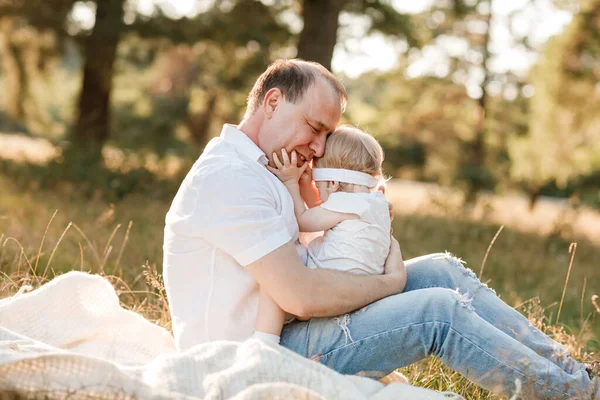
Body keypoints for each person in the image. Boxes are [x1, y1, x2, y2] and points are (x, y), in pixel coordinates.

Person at [162, 58, 599, 399]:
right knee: (437, 310)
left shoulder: (268, 169)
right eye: (315, 129)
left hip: (290, 328)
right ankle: (577, 396)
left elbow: (315, 251)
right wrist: (390, 282)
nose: (318, 148)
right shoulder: (228, 177)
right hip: (254, 356)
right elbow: (302, 296)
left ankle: (576, 373)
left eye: (326, 136)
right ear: (272, 102)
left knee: (442, 271)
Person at [253, 126, 393, 345]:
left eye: (319, 186)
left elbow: (304, 219)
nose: (316, 190)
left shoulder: (345, 203)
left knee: (277, 279)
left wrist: (291, 182)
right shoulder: (375, 203)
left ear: (334, 183)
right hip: (359, 289)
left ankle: (264, 342)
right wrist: (306, 184)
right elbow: (323, 208)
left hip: (328, 283)